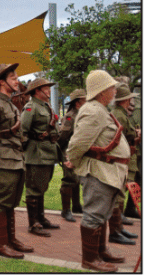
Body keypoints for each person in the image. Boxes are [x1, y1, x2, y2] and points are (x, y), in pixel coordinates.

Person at [67, 70, 127, 272]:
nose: (114, 91)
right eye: (111, 87)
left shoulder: (100, 110)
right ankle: (90, 258)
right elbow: (78, 144)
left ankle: (100, 251)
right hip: (99, 172)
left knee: (102, 214)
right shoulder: (93, 111)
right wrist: (73, 162)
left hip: (107, 172)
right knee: (93, 215)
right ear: (102, 91)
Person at [0, 63, 33, 259]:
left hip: (16, 159)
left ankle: (11, 239)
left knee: (11, 202)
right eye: (13, 78)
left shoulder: (10, 104)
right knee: (2, 203)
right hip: (2, 160)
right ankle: (1, 244)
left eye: (16, 77)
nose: (17, 80)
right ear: (2, 82)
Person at [20, 78, 61, 237]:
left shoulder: (45, 106)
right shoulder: (31, 108)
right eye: (46, 88)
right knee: (33, 189)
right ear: (37, 91)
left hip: (47, 153)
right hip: (36, 154)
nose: (49, 91)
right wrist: (27, 151)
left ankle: (41, 218)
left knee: (42, 187)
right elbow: (22, 132)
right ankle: (33, 224)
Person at [107, 83, 139, 245]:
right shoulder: (118, 115)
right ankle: (115, 231)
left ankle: (118, 228)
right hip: (119, 159)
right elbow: (119, 138)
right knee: (118, 194)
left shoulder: (121, 114)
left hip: (123, 158)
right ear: (125, 100)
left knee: (120, 193)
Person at [57, 89, 86, 222]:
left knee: (77, 179)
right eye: (84, 100)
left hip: (78, 151)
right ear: (78, 103)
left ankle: (76, 206)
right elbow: (63, 136)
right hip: (68, 150)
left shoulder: (82, 115)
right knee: (69, 178)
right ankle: (66, 210)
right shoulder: (70, 116)